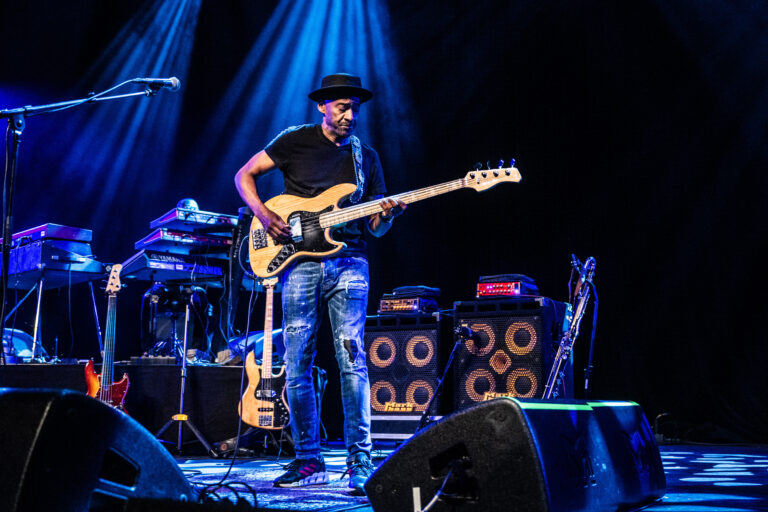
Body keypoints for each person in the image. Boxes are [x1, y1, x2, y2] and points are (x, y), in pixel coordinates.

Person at [234, 73, 406, 495]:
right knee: (297, 363)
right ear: (322, 107)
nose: (350, 116)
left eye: (355, 109)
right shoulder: (294, 140)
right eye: (343, 107)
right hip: (300, 264)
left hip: (350, 263)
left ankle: (359, 460)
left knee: (352, 358)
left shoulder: (367, 158)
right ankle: (307, 458)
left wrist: (389, 214)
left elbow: (376, 228)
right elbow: (244, 176)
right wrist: (262, 214)